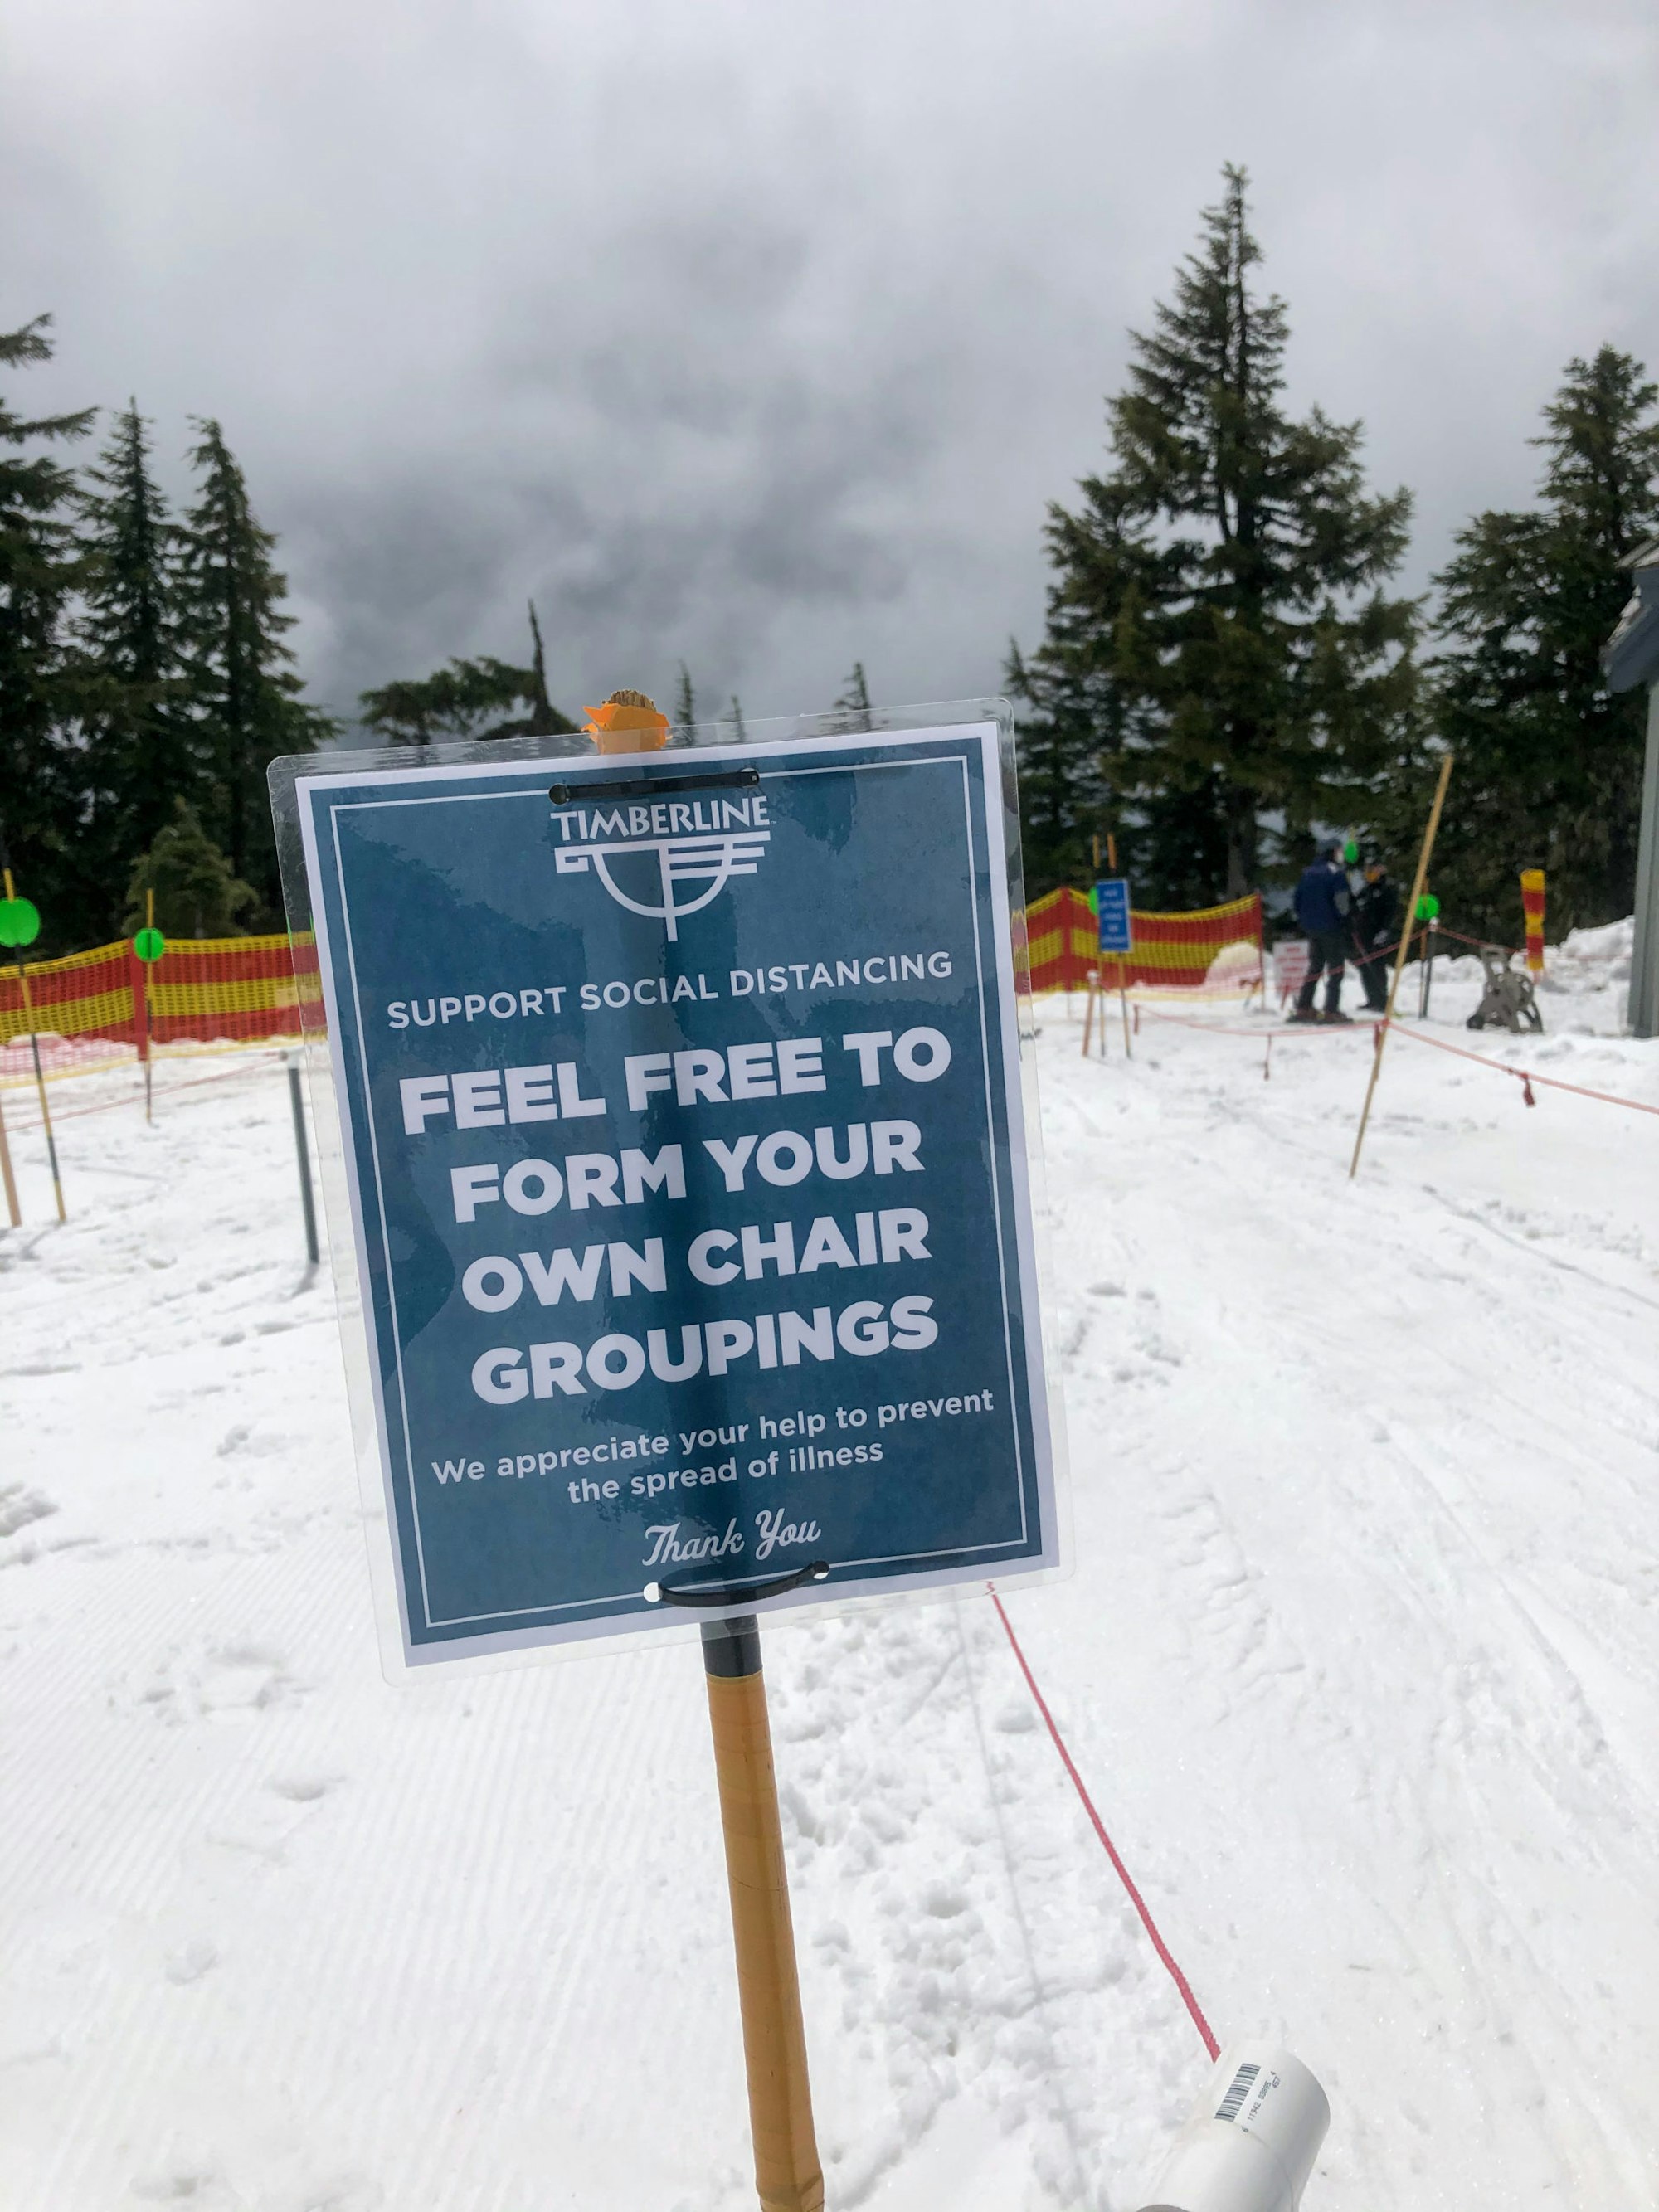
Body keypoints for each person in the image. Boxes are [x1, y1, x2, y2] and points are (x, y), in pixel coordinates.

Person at [1291, 843, 1353, 1023]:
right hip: (1331, 926)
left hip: (1311, 927)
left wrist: (1304, 919)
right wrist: (1346, 919)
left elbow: (1297, 899)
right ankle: (1331, 1010)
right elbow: (1342, 902)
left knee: (1315, 966)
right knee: (1336, 968)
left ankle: (1303, 1006)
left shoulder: (1308, 873)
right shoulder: (1335, 873)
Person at [1350, 858, 1399, 1013]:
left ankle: (1383, 1000)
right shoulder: (1366, 889)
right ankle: (1372, 999)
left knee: (1378, 966)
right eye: (1367, 870)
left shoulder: (1387, 888)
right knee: (1365, 967)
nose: (1369, 873)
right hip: (1363, 935)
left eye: (1372, 869)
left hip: (1378, 934)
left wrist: (1385, 930)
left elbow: (1390, 912)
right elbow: (1355, 906)